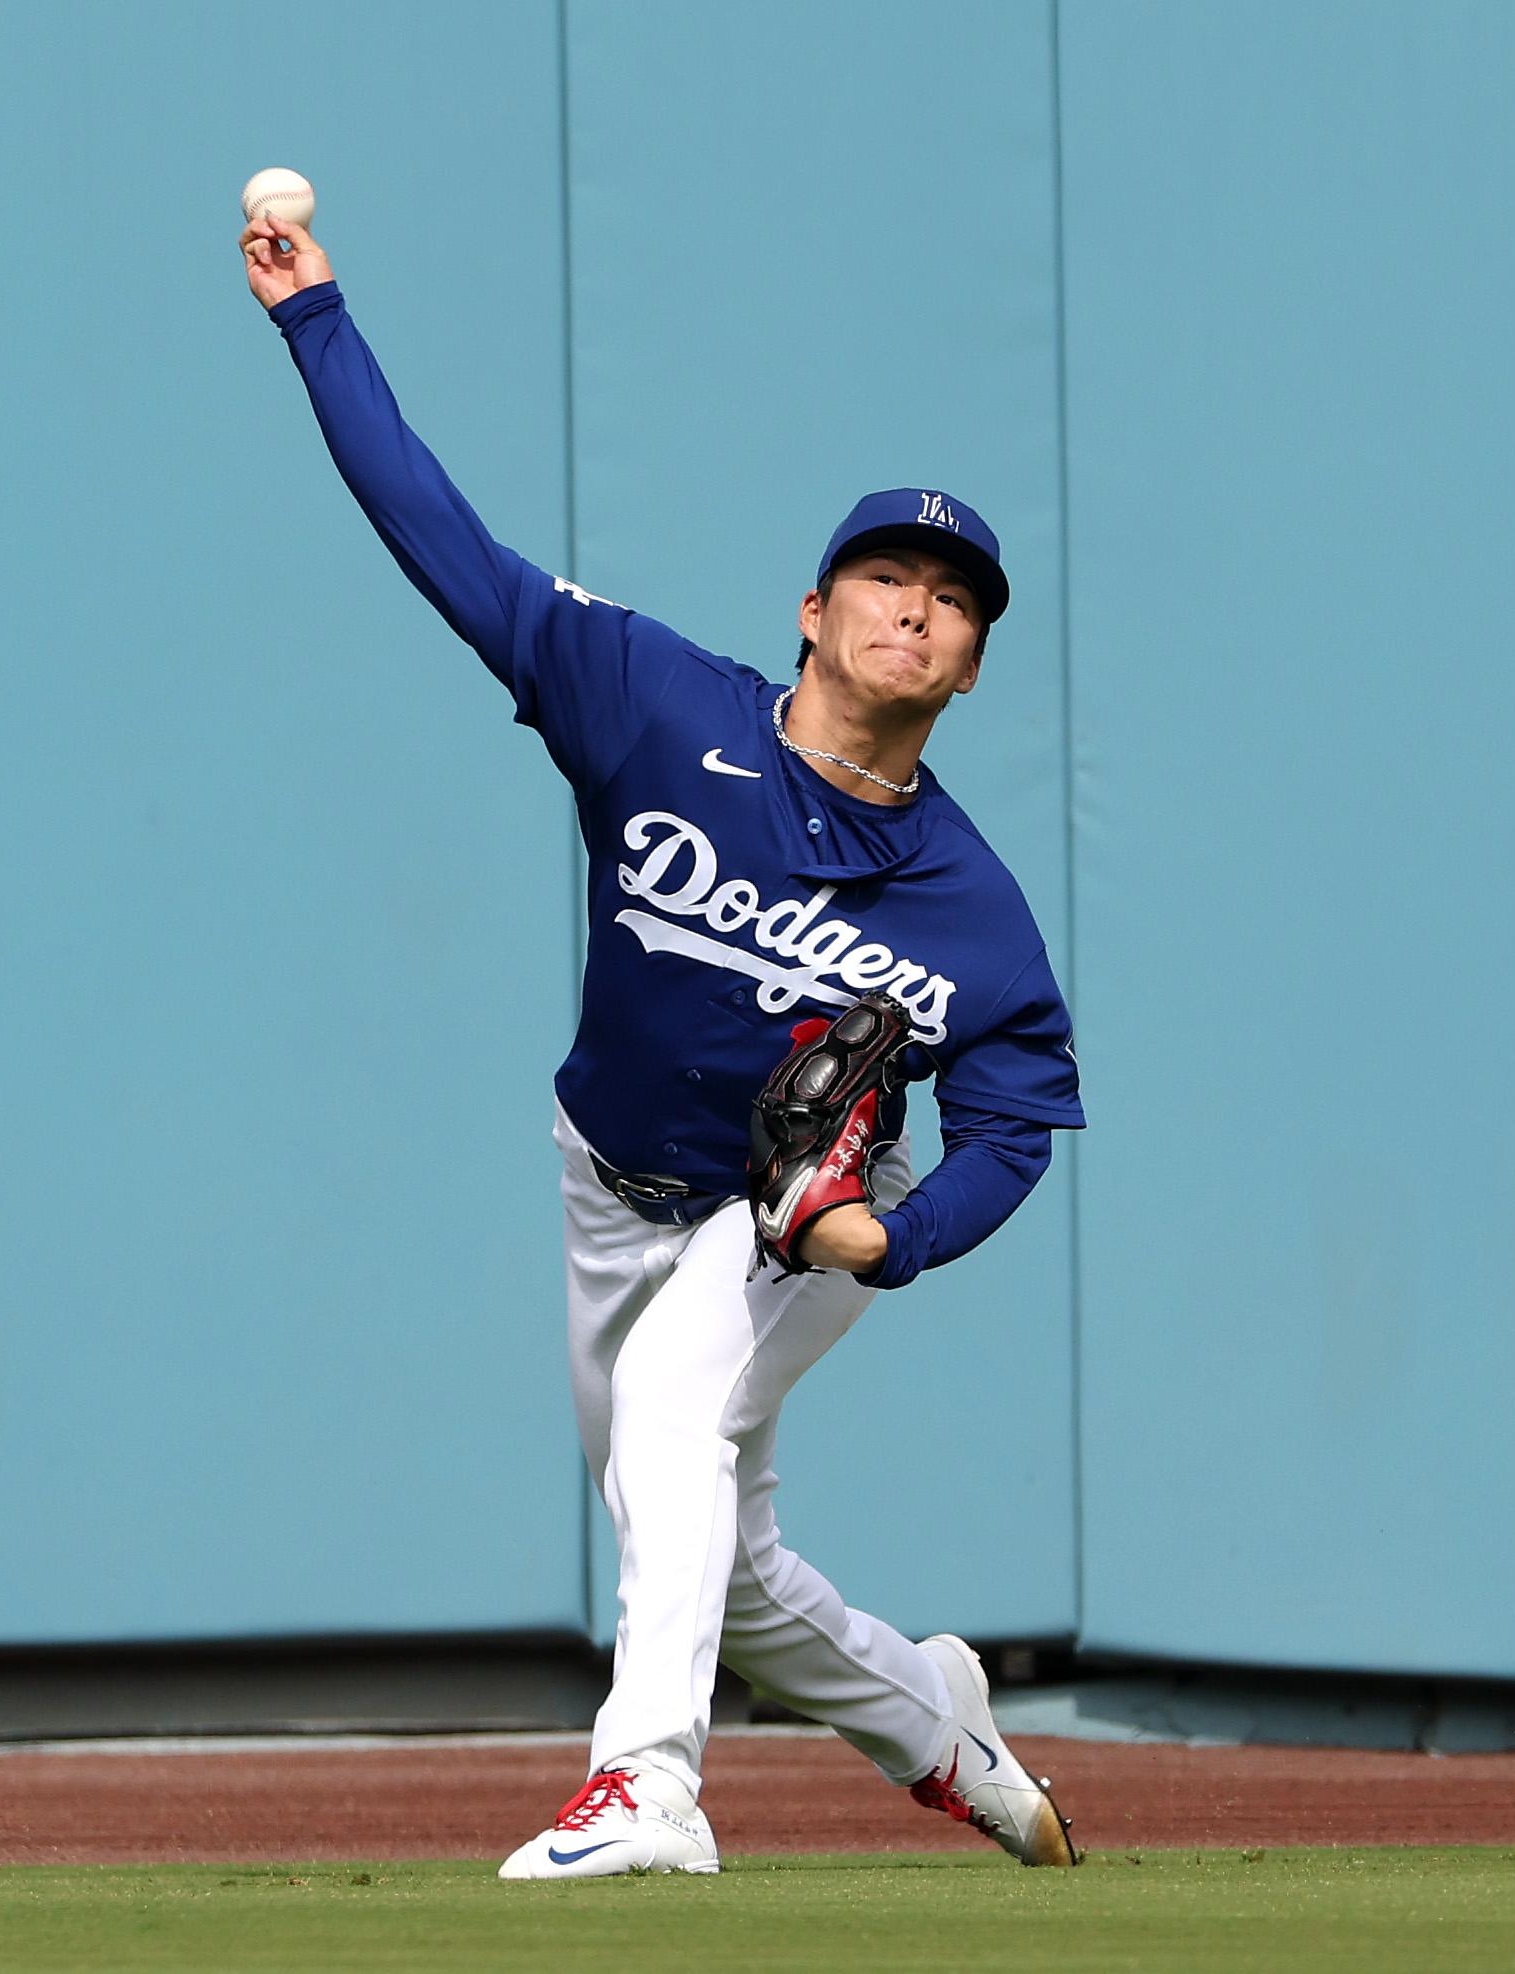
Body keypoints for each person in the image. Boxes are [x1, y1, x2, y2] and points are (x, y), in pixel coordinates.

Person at [242, 210, 1086, 1877]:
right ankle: (940, 1723)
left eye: (951, 602)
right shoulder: (646, 698)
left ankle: (648, 1788)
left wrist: (891, 1237)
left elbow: (1017, 1120)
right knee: (710, 1544)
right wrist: (313, 317)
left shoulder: (973, 910)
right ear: (813, 606)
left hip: (790, 1205)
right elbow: (444, 538)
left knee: (675, 1407)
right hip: (604, 1182)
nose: (915, 612)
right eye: (886, 580)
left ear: (976, 663)